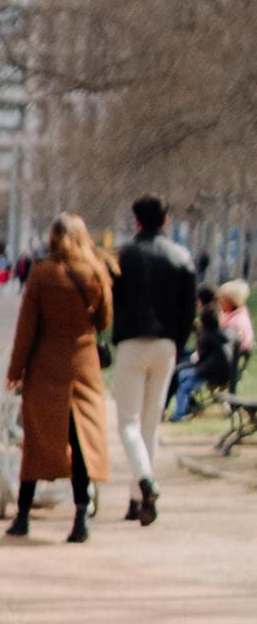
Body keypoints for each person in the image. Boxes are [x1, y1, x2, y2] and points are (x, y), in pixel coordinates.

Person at [5, 212, 112, 542]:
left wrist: (15, 371)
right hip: (84, 365)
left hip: (46, 364)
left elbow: (26, 328)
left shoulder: (41, 274)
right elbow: (105, 320)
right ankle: (82, 515)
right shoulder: (96, 271)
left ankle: (23, 516)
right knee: (82, 441)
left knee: (37, 440)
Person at [110, 196, 197, 523]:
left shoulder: (124, 256)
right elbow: (188, 310)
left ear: (136, 221)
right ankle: (138, 499)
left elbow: (112, 300)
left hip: (132, 341)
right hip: (166, 344)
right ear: (166, 221)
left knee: (128, 423)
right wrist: (178, 339)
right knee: (150, 422)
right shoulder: (182, 257)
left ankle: (145, 483)